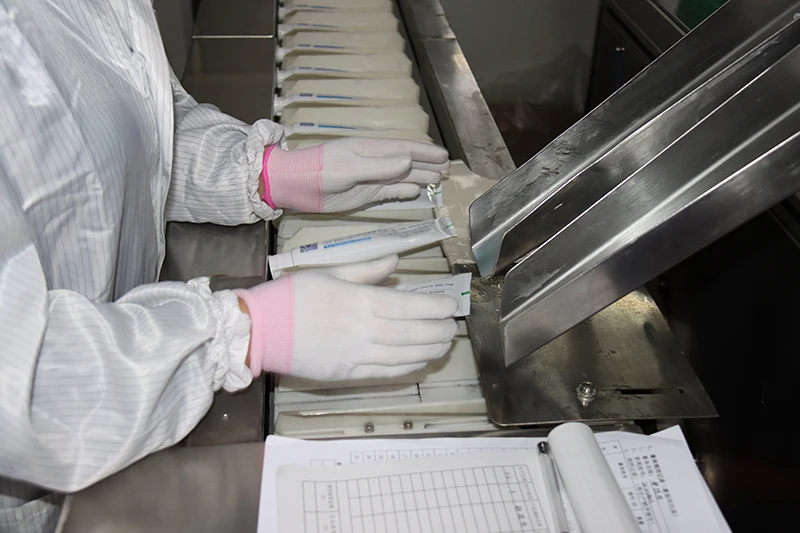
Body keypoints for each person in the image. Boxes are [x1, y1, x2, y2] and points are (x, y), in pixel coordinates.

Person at [0, 0, 459, 531]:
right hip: (53, 490)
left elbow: (135, 124)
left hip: (138, 380)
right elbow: (20, 386)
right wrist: (240, 333)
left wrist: (267, 174)